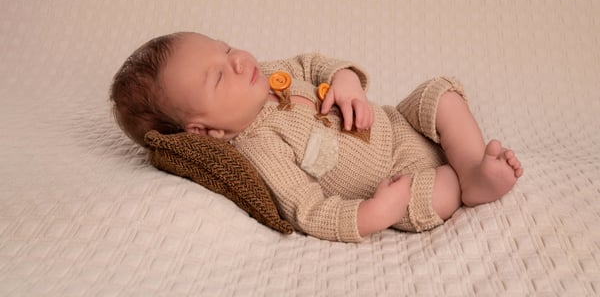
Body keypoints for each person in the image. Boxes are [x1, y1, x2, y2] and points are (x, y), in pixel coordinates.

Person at [110, 32, 523, 242]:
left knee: (440, 94)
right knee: (439, 191)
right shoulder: (261, 149)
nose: (237, 61)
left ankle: (473, 167)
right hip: (397, 178)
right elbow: (307, 210)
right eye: (218, 76)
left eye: (226, 47)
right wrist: (376, 212)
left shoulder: (270, 74)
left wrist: (345, 81)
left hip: (400, 122)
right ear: (205, 131)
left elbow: (313, 64)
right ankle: (469, 185)